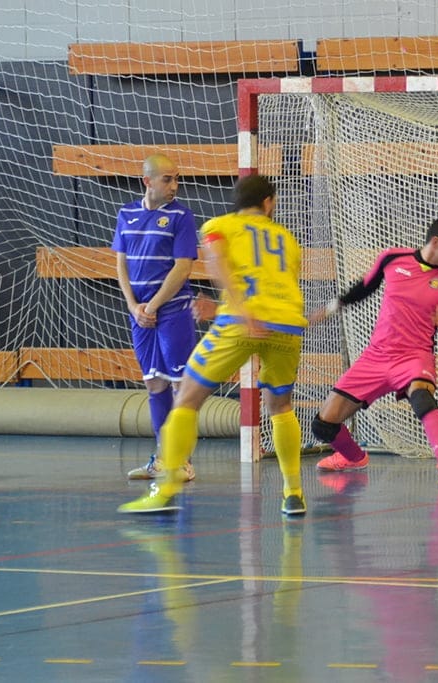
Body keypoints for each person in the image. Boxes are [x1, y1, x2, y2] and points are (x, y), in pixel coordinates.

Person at [119, 174, 309, 515]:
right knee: (280, 407)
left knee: (187, 397)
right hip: (287, 324)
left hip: (241, 321)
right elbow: (285, 281)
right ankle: (293, 493)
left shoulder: (218, 226)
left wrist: (238, 309)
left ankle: (165, 490)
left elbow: (219, 265)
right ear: (268, 203)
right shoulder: (287, 238)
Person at [309, 216, 438, 487]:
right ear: (436, 242)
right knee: (323, 424)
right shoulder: (393, 258)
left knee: (421, 397)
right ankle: (353, 457)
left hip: (414, 357)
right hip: (376, 356)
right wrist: (329, 309)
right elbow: (364, 288)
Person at [112, 153, 198, 483]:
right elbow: (121, 263)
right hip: (140, 315)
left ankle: (183, 461)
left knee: (180, 386)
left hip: (173, 311)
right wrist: (134, 305)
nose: (175, 185)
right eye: (167, 179)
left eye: (177, 179)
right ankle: (162, 457)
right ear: (147, 181)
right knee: (154, 383)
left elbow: (183, 267)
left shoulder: (181, 216)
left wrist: (154, 305)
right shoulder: (127, 214)